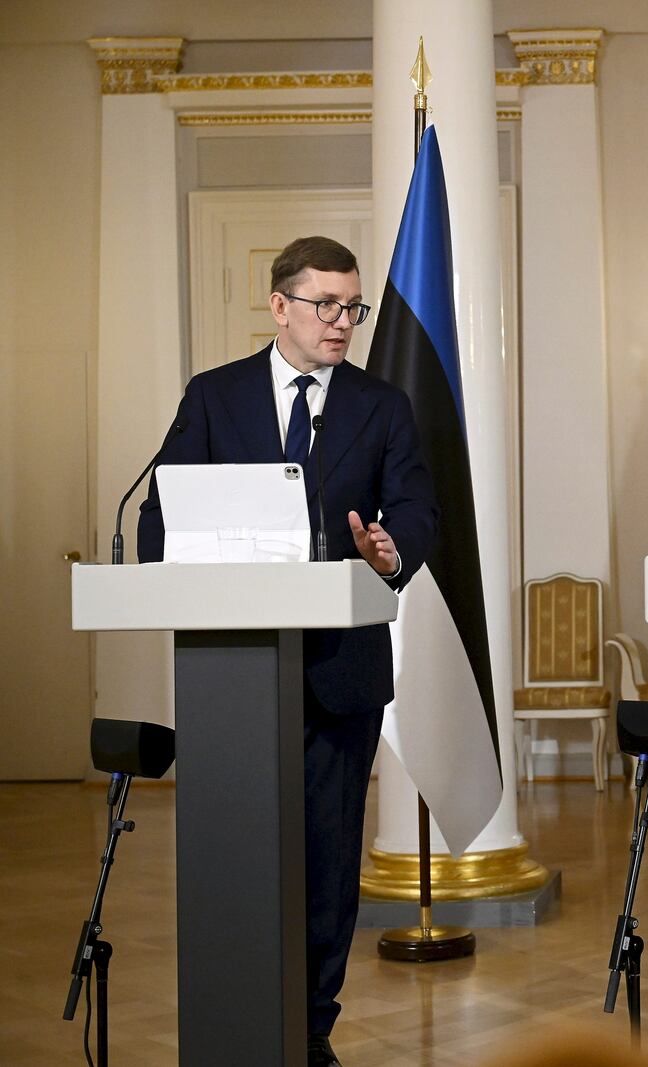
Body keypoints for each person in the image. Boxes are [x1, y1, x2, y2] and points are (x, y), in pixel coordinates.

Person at [138, 236, 439, 1067]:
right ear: (280, 306)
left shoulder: (381, 406)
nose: (342, 322)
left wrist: (388, 549)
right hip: (233, 675)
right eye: (326, 306)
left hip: (339, 670)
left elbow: (418, 513)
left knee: (327, 864)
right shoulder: (214, 397)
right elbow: (160, 518)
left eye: (353, 308)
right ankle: (235, 1017)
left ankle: (308, 1030)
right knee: (236, 854)